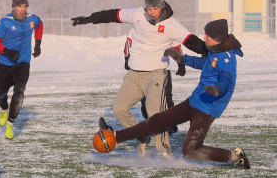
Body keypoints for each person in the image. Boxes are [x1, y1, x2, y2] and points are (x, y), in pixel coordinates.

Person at [71, 0, 207, 160]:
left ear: (162, 6)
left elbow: (191, 41)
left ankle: (164, 150)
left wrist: (208, 50)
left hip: (156, 75)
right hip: (134, 75)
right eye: (148, 9)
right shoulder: (137, 14)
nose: (151, 13)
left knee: (155, 113)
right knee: (119, 109)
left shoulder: (171, 25)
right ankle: (142, 137)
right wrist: (88, 19)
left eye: (155, 9)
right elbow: (112, 15)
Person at [99, 19, 250, 168]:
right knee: (157, 121)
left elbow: (227, 79)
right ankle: (116, 137)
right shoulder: (215, 50)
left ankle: (233, 156)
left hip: (207, 110)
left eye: (207, 35)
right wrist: (182, 58)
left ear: (217, 38)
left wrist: (218, 88)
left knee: (190, 151)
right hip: (195, 101)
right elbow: (203, 64)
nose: (204, 38)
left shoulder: (227, 59)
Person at [0, 0, 43, 139]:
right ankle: (4, 109)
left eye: (25, 6)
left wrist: (37, 45)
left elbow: (40, 24)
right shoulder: (5, 22)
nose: (23, 9)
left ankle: (10, 123)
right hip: (4, 63)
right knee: (0, 93)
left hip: (23, 62)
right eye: (19, 6)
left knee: (20, 90)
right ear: (14, 7)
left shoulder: (32, 19)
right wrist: (7, 52)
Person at [124, 29, 185, 134]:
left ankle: (170, 124)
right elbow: (129, 43)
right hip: (141, 70)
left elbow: (176, 47)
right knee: (145, 100)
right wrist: (127, 59)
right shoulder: (138, 26)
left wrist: (181, 64)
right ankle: (152, 124)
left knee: (166, 97)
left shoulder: (167, 27)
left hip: (161, 69)